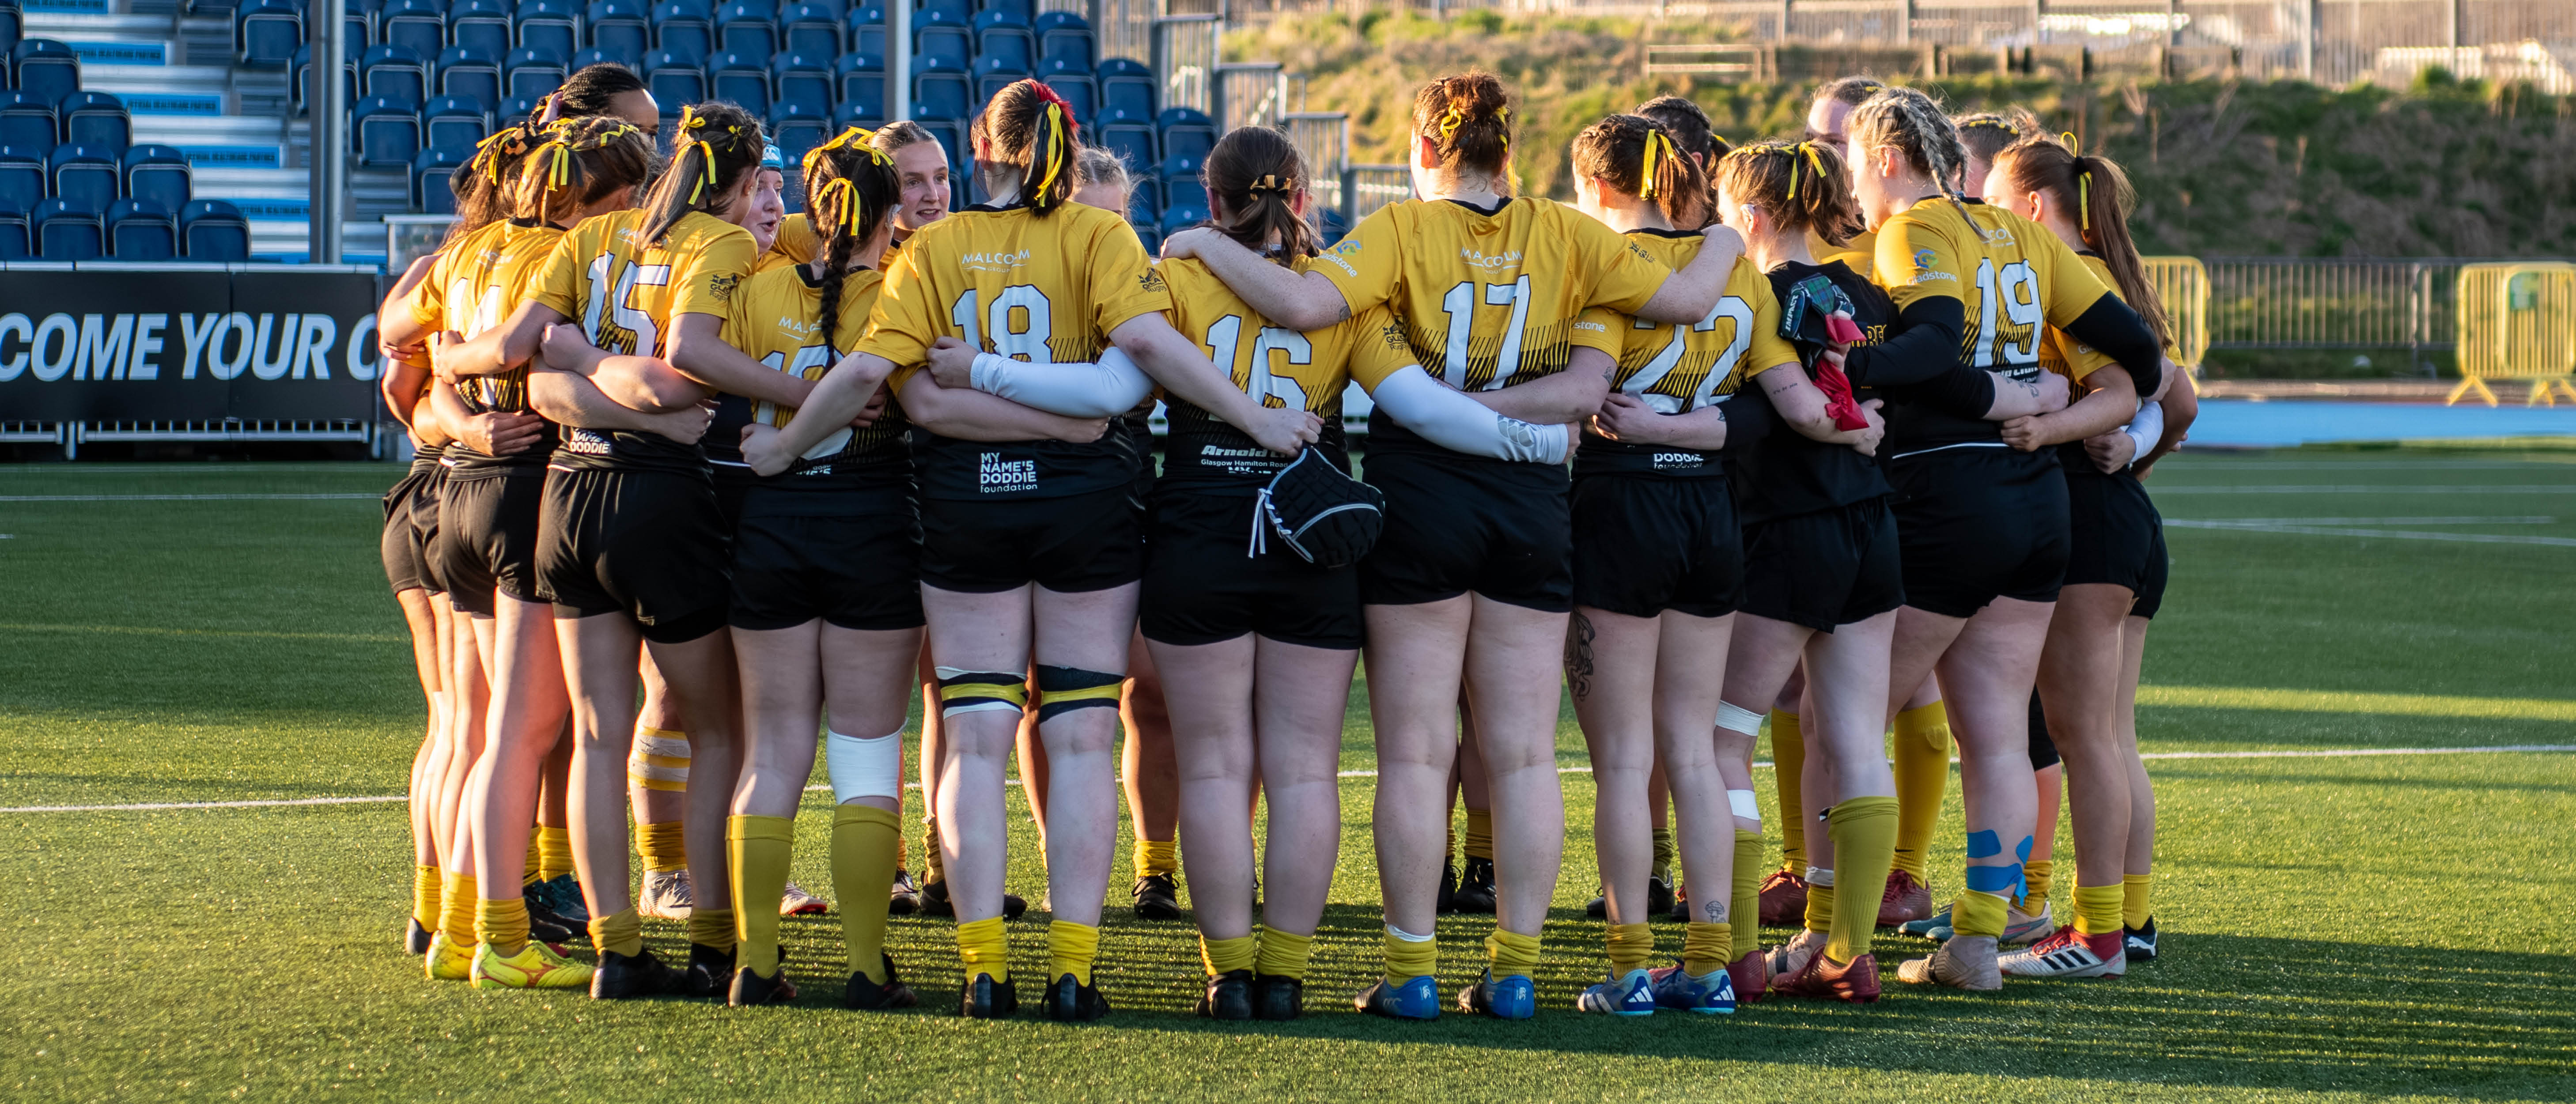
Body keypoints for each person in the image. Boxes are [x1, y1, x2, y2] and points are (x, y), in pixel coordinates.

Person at [1163, 70, 1751, 1021]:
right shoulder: (1567, 232)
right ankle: (1515, 968)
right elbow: (1687, 299)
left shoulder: (1399, 229)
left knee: (1415, 751)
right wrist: (1727, 228)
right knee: (1522, 753)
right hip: (1529, 502)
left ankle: (1411, 971)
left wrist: (1196, 243)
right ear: (1506, 147)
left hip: (1422, 494)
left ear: (1426, 149)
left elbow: (1309, 308)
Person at [772, 78, 1317, 1021]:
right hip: (1085, 507)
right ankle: (1072, 969)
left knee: (977, 733)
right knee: (1080, 734)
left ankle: (984, 967)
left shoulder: (933, 245)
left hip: (964, 503)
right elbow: (1144, 353)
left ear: (981, 148)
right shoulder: (1099, 235)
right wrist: (1252, 416)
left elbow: (880, 379)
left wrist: (782, 445)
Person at [1823, 87, 2161, 994]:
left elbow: (1931, 348)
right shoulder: (2028, 237)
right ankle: (1975, 940)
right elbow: (2136, 347)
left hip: (1948, 494)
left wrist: (1844, 365)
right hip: (2035, 503)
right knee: (1998, 737)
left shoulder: (1909, 229)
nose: (1857, 186)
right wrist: (2040, 397)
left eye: (1857, 166)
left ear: (1887, 160)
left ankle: (1834, 943)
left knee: (1845, 721)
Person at [445, 102, 779, 998]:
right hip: (662, 500)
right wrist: (665, 408)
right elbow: (685, 372)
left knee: (597, 734)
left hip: (567, 493)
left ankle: (617, 949)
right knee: (715, 728)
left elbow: (534, 361)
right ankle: (715, 945)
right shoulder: (725, 245)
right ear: (745, 183)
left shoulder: (591, 238)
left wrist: (581, 363)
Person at [1559, 115, 1806, 1017]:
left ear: (1596, 187)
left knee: (1624, 760)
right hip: (1708, 504)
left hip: (1620, 500)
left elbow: (1572, 385)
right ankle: (1707, 964)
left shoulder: (1594, 258)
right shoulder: (1735, 265)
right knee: (1696, 750)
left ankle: (1628, 966)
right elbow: (1776, 402)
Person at [415, 117, 662, 989]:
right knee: (522, 731)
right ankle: (503, 935)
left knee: (487, 730)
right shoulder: (563, 256)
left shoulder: (474, 248)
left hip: (461, 483)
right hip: (527, 483)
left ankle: (452, 925)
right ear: (594, 198)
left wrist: (461, 373)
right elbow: (531, 347)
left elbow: (432, 352)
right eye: (629, 192)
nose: (638, 207)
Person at [717, 128, 921, 1008]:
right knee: (868, 755)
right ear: (893, 213)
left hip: (771, 527)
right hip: (872, 527)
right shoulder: (909, 290)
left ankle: (754, 962)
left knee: (774, 750)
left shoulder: (759, 289)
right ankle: (868, 965)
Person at [1983, 133, 2193, 978]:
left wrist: (2108, 431)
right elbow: (2173, 394)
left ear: (2033, 207)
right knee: (2109, 737)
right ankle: (2125, 924)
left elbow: (2152, 393)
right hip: (2120, 520)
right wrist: (2138, 437)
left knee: (2083, 739)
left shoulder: (2067, 278)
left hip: (2088, 524)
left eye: (1997, 202)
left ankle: (2097, 935)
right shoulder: (2110, 273)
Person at [375, 257, 456, 960]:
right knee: (489, 730)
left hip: (422, 492)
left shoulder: (442, 267)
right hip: (459, 493)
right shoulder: (543, 262)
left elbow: (398, 384)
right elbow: (407, 390)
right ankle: (488, 902)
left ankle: (431, 909)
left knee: (453, 723)